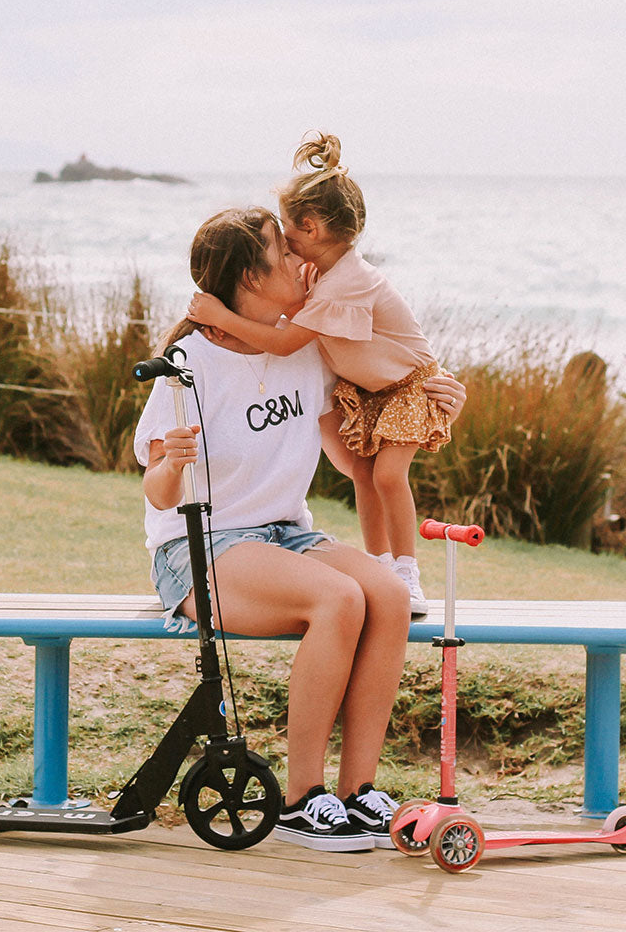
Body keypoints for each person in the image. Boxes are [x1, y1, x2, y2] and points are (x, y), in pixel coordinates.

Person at [135, 206, 465, 852]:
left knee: (390, 597)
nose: (298, 259)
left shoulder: (306, 351)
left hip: (286, 536)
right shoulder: (190, 360)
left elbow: (351, 461)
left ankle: (357, 790)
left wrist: (428, 415)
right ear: (248, 280)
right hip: (200, 548)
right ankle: (299, 799)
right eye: (280, 253)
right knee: (337, 598)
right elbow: (155, 489)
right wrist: (171, 464)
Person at [187, 133, 450, 617]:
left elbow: (287, 341)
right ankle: (383, 562)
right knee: (366, 477)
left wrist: (222, 318)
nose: (285, 245)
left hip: (407, 388)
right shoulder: (321, 276)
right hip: (371, 393)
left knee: (389, 476)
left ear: (309, 227)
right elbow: (291, 329)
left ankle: (407, 572)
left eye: (287, 234)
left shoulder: (348, 280)